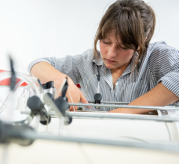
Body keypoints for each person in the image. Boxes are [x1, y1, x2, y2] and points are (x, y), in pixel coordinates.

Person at [28, 0, 179, 114]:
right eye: (106, 42)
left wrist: (121, 114)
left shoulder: (157, 57)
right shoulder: (87, 62)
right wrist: (61, 79)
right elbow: (37, 64)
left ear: (141, 43)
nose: (111, 53)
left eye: (123, 47)